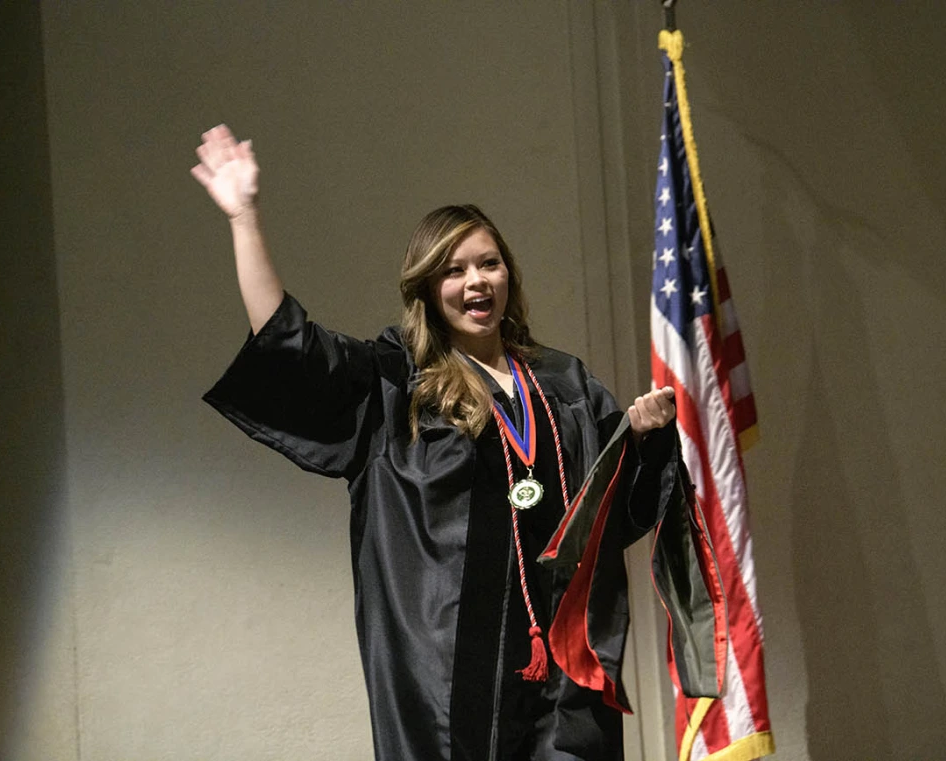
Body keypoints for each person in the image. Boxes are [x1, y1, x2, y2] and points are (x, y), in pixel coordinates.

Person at [193, 125, 689, 761]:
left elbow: (611, 516)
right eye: (453, 271)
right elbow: (290, 347)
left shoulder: (565, 384)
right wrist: (244, 217)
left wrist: (641, 439)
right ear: (427, 287)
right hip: (447, 680)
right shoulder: (394, 384)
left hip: (562, 681)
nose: (475, 282)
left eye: (489, 263)